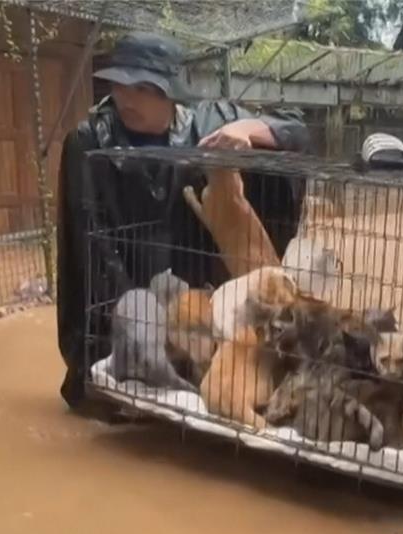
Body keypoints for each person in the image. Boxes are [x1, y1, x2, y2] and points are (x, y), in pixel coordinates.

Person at [56, 33, 310, 419]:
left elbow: (298, 131)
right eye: (120, 84)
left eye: (142, 87)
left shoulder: (207, 122)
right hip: (125, 299)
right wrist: (141, 326)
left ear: (171, 93)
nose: (126, 98)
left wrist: (247, 132)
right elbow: (96, 250)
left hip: (194, 297)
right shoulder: (91, 139)